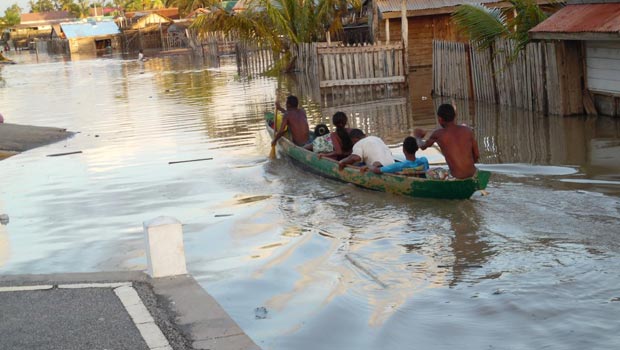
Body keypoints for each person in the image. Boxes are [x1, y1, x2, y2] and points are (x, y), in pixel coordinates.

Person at [414, 103, 479, 179]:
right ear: (454, 116)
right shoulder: (468, 130)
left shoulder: (438, 134)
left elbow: (422, 146)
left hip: (457, 178)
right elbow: (477, 155)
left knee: (430, 172)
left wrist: (418, 137)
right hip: (474, 174)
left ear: (440, 119)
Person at [361, 136, 429, 175]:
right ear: (417, 149)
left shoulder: (399, 166)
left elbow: (377, 170)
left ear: (403, 150)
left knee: (376, 163)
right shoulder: (424, 160)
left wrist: (368, 166)